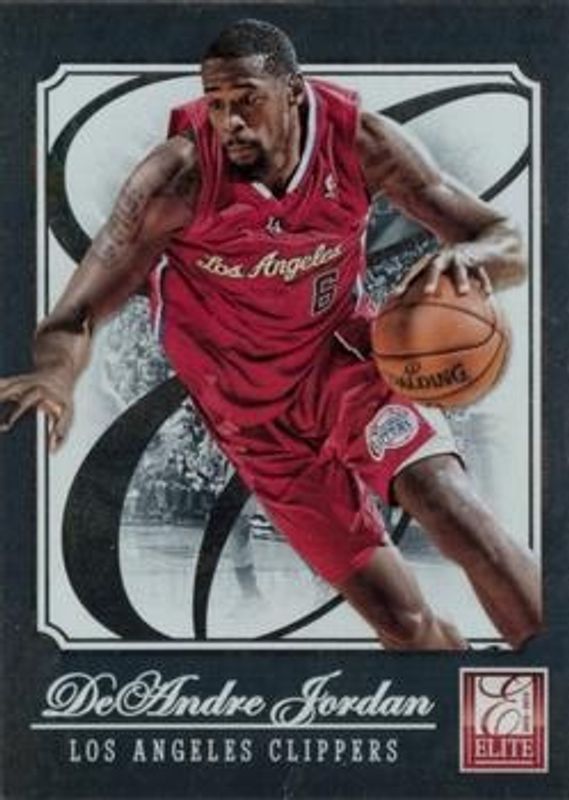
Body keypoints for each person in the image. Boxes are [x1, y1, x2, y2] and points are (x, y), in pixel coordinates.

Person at [0, 19, 540, 649]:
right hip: (253, 425)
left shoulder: (360, 142)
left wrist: (471, 258)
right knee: (402, 623)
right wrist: (54, 374)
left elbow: (502, 236)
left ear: (294, 92)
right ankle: (457, 696)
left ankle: (551, 677)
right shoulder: (175, 180)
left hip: (344, 365)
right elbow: (76, 313)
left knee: (453, 510)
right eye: (216, 102)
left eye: (247, 99)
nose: (229, 121)